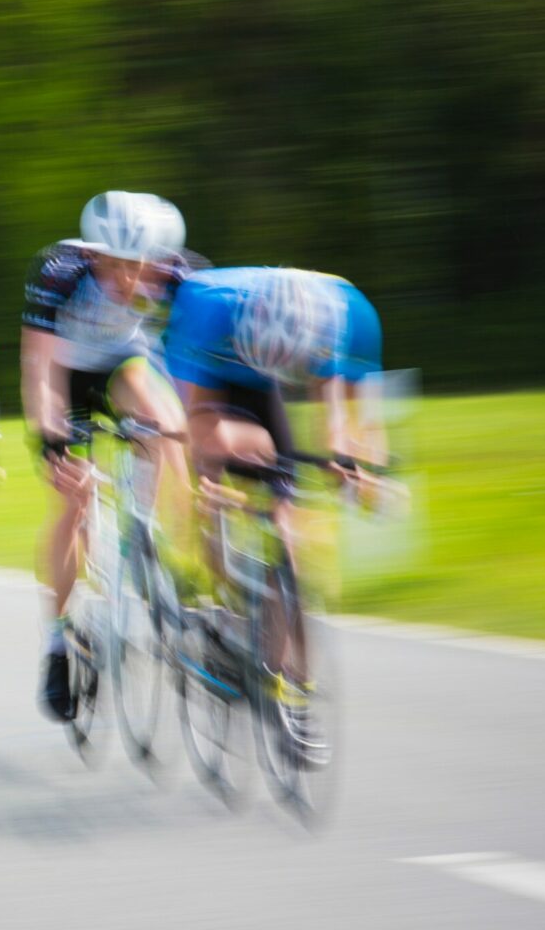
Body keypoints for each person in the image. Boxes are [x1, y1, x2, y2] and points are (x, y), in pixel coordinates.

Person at [163, 265, 385, 750]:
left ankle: (296, 692)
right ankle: (220, 612)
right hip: (213, 378)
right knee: (215, 474)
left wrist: (353, 468)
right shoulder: (207, 307)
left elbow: (338, 426)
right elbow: (195, 425)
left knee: (294, 534)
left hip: (267, 383)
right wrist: (206, 485)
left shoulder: (334, 319)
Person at [21, 191, 195, 722]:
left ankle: (159, 547)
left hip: (125, 365)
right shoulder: (58, 271)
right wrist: (51, 439)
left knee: (170, 427)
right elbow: (39, 367)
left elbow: (195, 367)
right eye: (113, 265)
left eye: (136, 266)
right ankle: (58, 641)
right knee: (73, 502)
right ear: (93, 254)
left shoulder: (176, 276)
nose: (125, 279)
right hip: (66, 375)